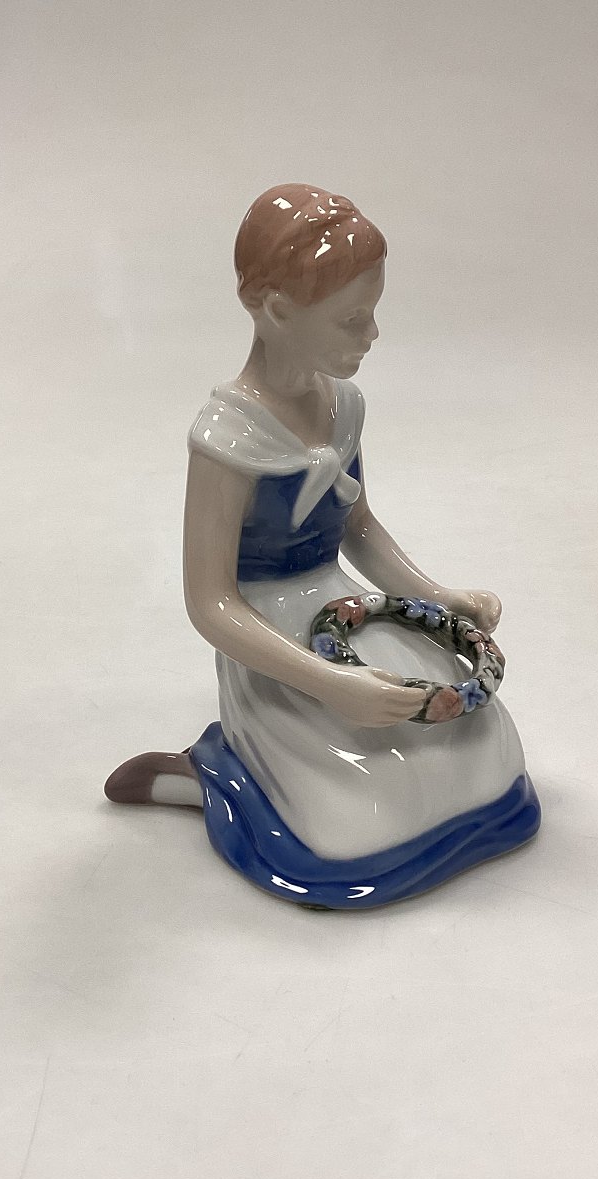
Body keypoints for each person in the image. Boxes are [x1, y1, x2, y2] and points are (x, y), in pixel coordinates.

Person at [104, 184, 540, 907]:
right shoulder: (226, 439)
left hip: (342, 607)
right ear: (278, 312)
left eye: (372, 312)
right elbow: (211, 603)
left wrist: (440, 597)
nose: (372, 334)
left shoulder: (343, 406)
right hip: (269, 636)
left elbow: (358, 528)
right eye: (351, 319)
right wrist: (330, 684)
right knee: (360, 809)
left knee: (480, 750)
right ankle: (217, 778)